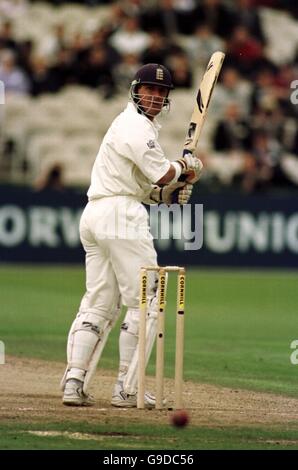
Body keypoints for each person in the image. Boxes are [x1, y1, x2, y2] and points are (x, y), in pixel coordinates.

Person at [61, 63, 202, 408]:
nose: (154, 97)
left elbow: (150, 187)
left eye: (161, 92)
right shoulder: (136, 126)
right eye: (149, 91)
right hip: (121, 215)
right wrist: (187, 168)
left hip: (97, 213)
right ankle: (127, 389)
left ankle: (74, 382)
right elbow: (163, 172)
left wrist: (171, 193)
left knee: (99, 301)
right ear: (136, 91)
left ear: (166, 98)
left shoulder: (128, 125)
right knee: (147, 301)